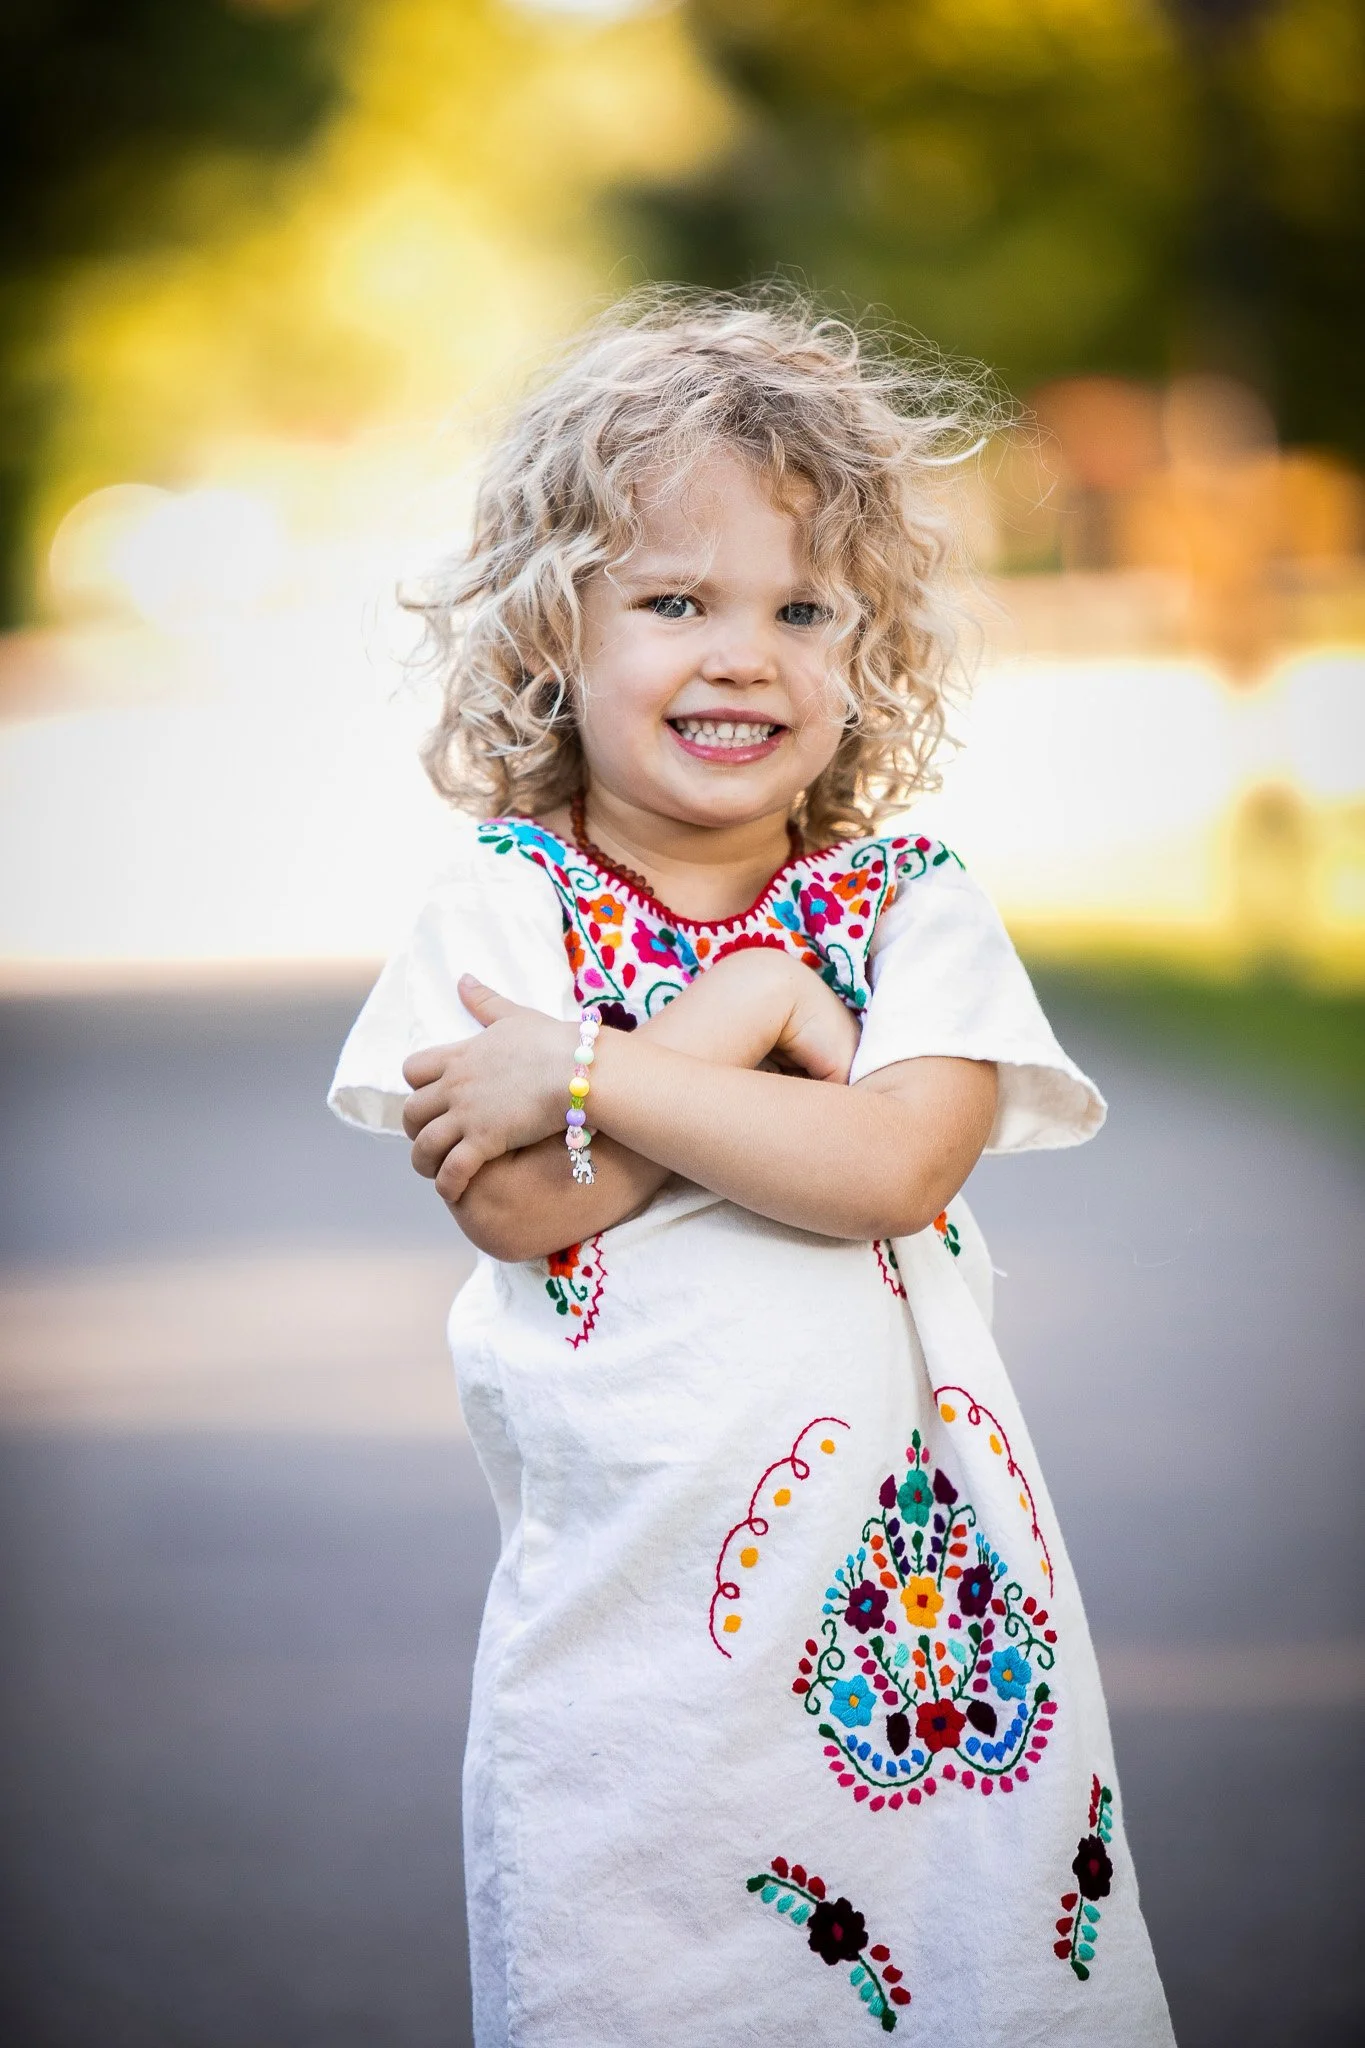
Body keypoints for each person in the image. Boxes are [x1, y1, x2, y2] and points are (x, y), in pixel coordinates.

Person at [328, 294, 1173, 2045]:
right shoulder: (505, 909)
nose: (745, 654)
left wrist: (588, 1070)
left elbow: (888, 1163)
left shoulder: (906, 902)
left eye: (803, 609)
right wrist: (730, 1019)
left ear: (869, 647)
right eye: (676, 601)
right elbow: (525, 1202)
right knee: (646, 1983)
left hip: (927, 1630)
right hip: (639, 1628)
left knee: (972, 1988)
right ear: (557, 630)